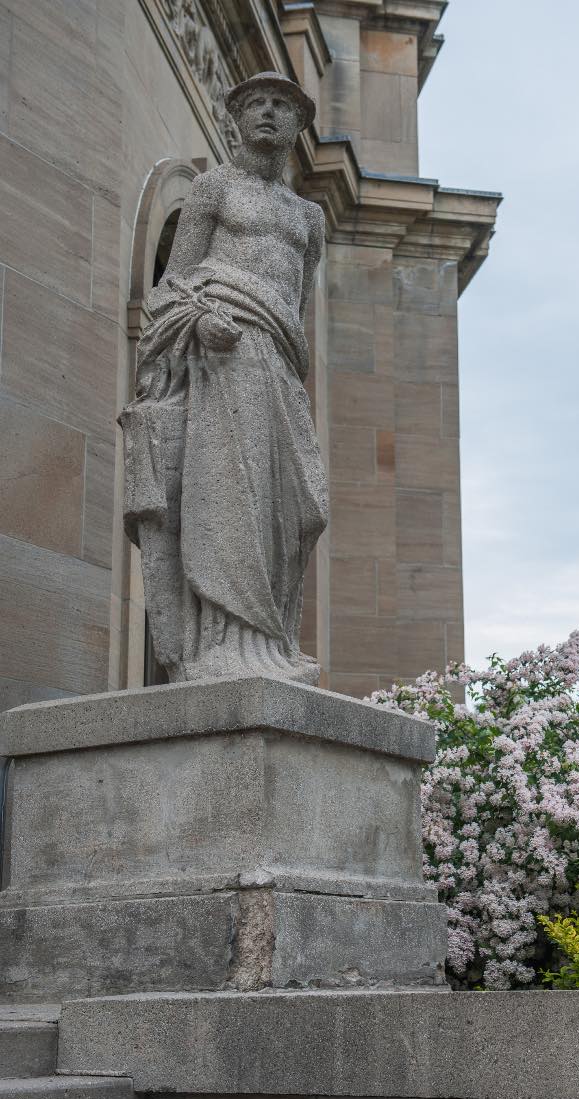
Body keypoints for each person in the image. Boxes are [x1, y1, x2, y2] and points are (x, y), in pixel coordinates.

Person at [121, 72, 328, 684]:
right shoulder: (213, 190)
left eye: (281, 106)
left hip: (278, 373)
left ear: (296, 125)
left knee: (298, 507)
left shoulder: (309, 217)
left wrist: (279, 344)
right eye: (255, 104)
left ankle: (275, 641)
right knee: (225, 497)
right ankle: (222, 645)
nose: (267, 113)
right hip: (221, 365)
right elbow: (173, 285)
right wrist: (200, 320)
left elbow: (296, 305)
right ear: (236, 119)